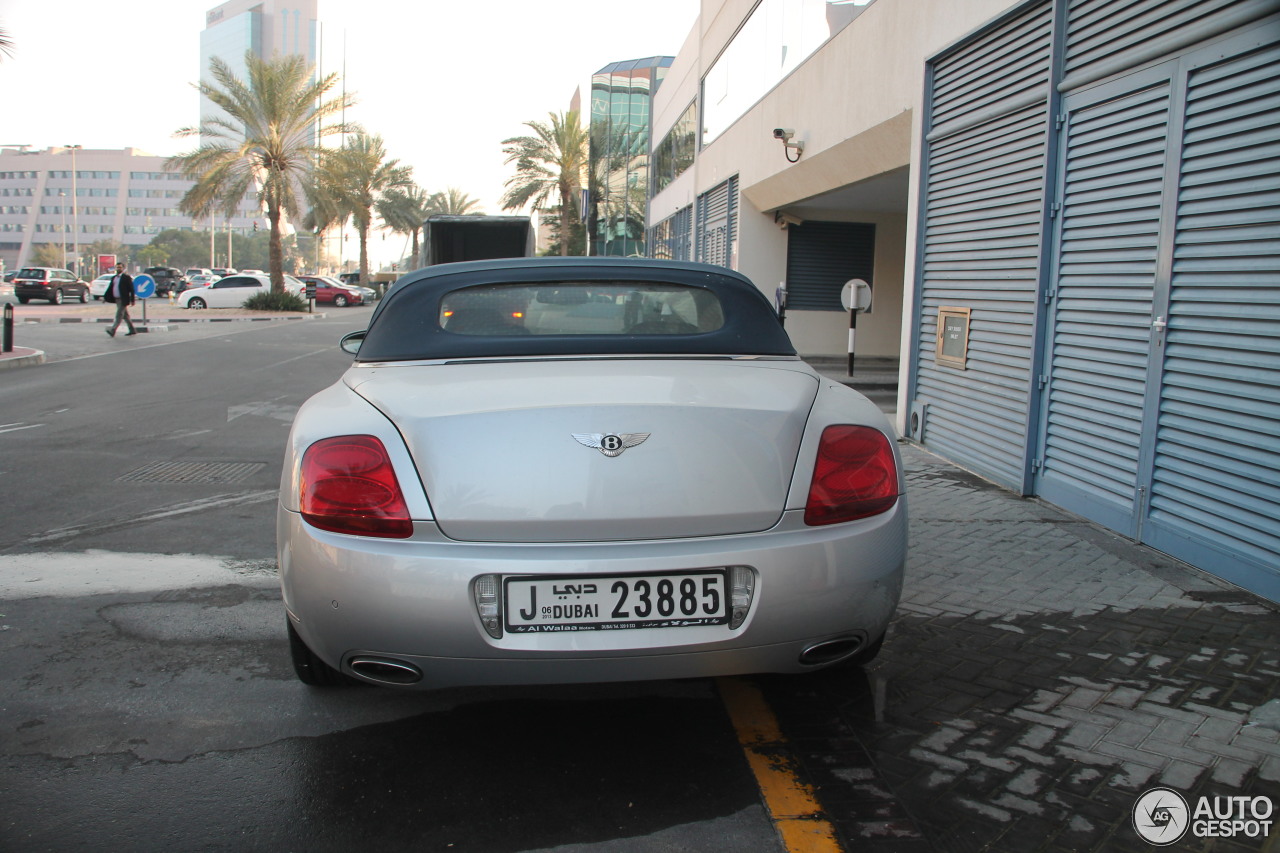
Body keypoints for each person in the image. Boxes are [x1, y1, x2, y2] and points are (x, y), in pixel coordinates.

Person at [105, 262, 136, 337]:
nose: (118, 269)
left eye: (120, 267)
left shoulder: (126, 278)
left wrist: (132, 300)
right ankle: (132, 330)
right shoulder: (114, 278)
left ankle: (113, 330)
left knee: (119, 315)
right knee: (125, 316)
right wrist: (105, 297)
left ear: (123, 268)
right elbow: (110, 288)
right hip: (117, 299)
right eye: (117, 267)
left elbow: (131, 289)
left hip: (123, 299)